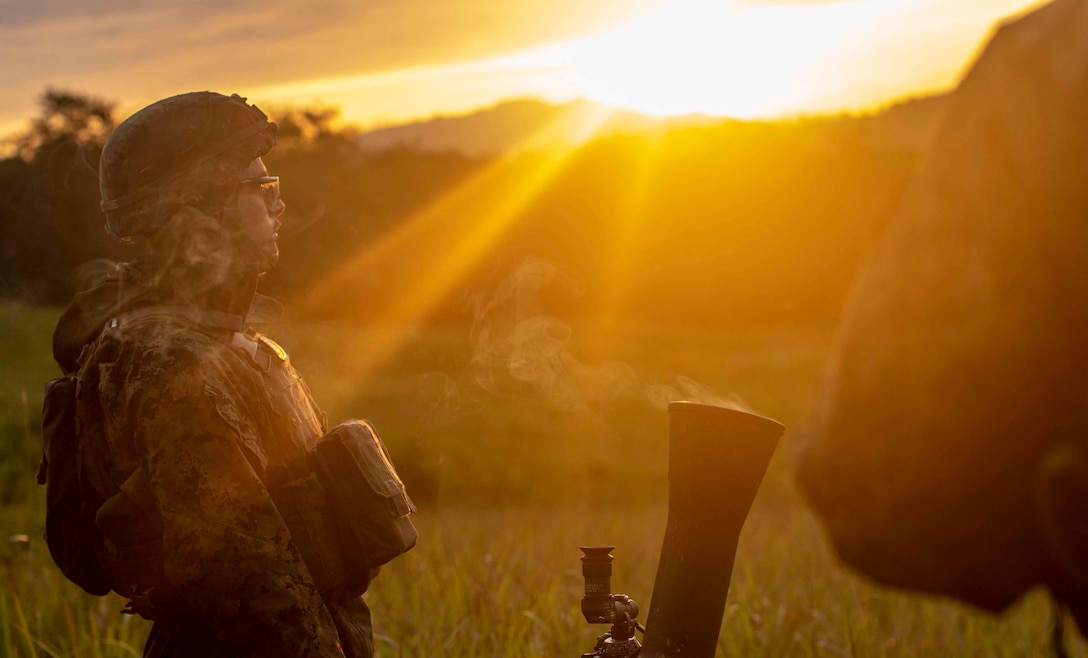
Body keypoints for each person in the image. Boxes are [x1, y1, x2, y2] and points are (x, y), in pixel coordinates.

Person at [50, 92, 377, 657]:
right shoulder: (173, 363)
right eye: (261, 188)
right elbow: (250, 588)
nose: (278, 207)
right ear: (200, 208)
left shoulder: (223, 340)